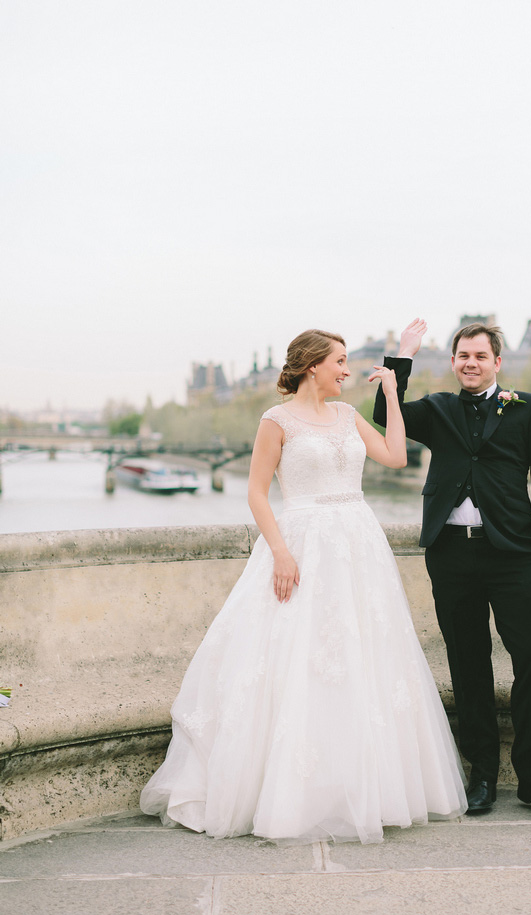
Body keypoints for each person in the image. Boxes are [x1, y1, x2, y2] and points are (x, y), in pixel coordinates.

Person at [140, 328, 467, 842]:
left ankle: (357, 787)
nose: (345, 370)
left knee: (362, 660)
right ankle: (290, 792)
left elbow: (396, 457)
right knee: (296, 660)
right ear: (313, 365)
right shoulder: (276, 421)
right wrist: (282, 552)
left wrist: (390, 396)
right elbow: (255, 492)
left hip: (358, 543)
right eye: (339, 361)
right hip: (303, 542)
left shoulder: (348, 415)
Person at [373, 318, 531, 824]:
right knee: (467, 664)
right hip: (452, 555)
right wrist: (405, 352)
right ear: (454, 360)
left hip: (515, 557)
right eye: (463, 356)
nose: (470, 364)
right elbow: (383, 412)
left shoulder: (528, 409)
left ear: (497, 363)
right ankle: (481, 774)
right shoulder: (438, 410)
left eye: (480, 356)